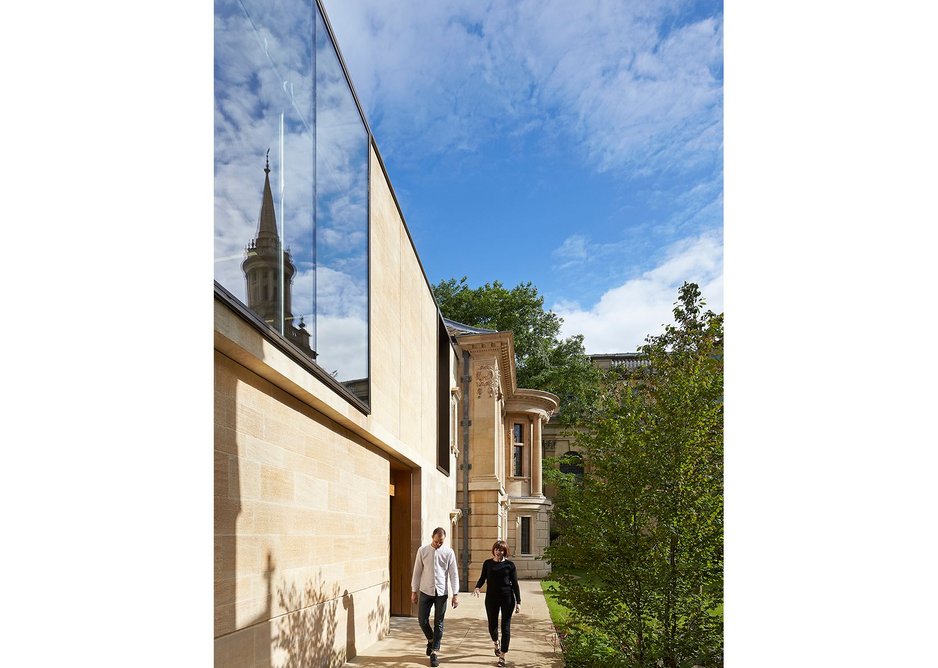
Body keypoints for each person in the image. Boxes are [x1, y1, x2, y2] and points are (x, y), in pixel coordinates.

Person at [411, 527, 459, 667]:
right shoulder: (423, 551)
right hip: (426, 591)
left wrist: (455, 594)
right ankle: (431, 639)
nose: (438, 544)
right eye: (437, 541)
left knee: (439, 623)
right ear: (432, 537)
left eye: (441, 542)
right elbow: (417, 572)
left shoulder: (448, 552)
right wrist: (414, 591)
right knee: (422, 620)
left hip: (441, 593)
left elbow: (453, 574)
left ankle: (434, 652)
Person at [472, 540, 521, 667]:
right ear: (494, 550)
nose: (499, 552)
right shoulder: (487, 563)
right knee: (492, 625)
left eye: (501, 550)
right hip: (491, 598)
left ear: (505, 551)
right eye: (497, 549)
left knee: (505, 627)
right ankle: (496, 643)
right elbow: (482, 578)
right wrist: (477, 587)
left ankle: (502, 655)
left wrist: (518, 602)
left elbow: (515, 584)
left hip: (507, 598)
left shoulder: (510, 565)